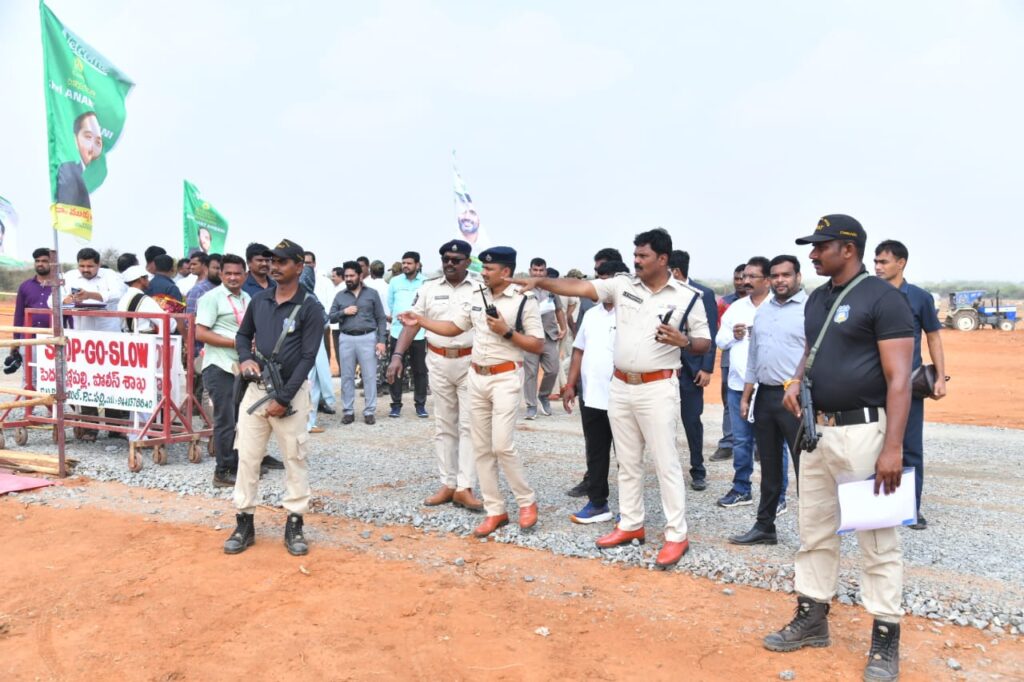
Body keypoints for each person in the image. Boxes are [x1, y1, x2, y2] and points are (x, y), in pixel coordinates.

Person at [763, 215, 913, 682]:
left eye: (820, 246)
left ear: (847, 249)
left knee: (877, 540)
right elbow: (812, 350)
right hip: (816, 433)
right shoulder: (818, 298)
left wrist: (893, 448)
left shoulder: (884, 299)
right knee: (814, 530)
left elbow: (900, 380)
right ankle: (813, 618)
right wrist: (795, 380)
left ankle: (885, 637)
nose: (812, 254)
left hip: (865, 436)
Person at [510, 228, 711, 568]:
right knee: (628, 462)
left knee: (666, 463)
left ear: (662, 259)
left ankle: (677, 535)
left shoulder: (687, 296)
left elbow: (704, 342)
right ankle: (631, 524)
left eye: (643, 256)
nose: (636, 261)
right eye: (635, 255)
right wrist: (540, 282)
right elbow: (579, 287)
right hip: (620, 385)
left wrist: (684, 341)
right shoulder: (622, 285)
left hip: (657, 387)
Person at [397, 246, 542, 537]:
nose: (483, 273)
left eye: (489, 269)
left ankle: (526, 502)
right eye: (483, 268)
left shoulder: (524, 300)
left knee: (502, 445)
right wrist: (420, 321)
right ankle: (495, 510)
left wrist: (506, 331)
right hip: (476, 376)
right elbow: (454, 327)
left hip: (505, 377)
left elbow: (537, 345)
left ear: (506, 272)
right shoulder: (477, 296)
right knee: (482, 448)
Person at [224, 239, 324, 557]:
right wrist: (245, 358)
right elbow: (243, 335)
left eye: (282, 261)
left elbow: (308, 357)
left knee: (294, 458)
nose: (274, 266)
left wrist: (283, 398)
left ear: (299, 266)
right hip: (256, 390)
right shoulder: (259, 300)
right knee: (247, 456)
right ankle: (244, 521)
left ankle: (295, 522)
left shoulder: (310, 306)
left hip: (291, 393)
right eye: (272, 261)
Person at [387, 240, 484, 512]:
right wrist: (397, 355)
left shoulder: (480, 289)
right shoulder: (428, 288)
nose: (450, 263)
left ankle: (465, 487)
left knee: (469, 425)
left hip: (470, 361)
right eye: (445, 259)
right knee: (444, 424)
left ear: (467, 262)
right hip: (439, 361)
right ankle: (448, 484)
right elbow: (412, 324)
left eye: (456, 259)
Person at [729, 255, 806, 545]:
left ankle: (812, 534)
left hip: (796, 397)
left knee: (806, 468)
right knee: (769, 465)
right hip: (765, 395)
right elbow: (753, 355)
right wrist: (747, 395)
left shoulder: (810, 309)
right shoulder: (763, 311)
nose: (780, 280)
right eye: (775, 275)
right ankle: (765, 527)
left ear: (798, 277)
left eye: (786, 275)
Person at [874, 239, 946, 530]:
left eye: (883, 262)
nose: (877, 267)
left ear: (901, 263)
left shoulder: (919, 297)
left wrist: (940, 377)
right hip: (870, 385)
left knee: (910, 448)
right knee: (870, 445)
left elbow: (933, 337)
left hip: (907, 386)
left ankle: (910, 509)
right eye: (875, 262)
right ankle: (875, 506)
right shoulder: (869, 295)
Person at [562, 260, 629, 524]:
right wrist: (571, 384)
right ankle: (598, 503)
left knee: (627, 456)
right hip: (592, 395)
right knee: (596, 452)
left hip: (622, 395)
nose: (602, 285)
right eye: (599, 279)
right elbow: (579, 350)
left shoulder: (631, 313)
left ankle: (630, 509)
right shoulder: (591, 314)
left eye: (608, 279)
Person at [715, 257, 771, 508]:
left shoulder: (777, 307)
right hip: (738, 386)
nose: (745, 281)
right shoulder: (736, 307)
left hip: (768, 388)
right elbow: (720, 340)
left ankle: (777, 496)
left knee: (772, 444)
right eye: (744, 276)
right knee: (741, 441)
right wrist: (733, 335)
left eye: (751, 277)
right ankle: (741, 489)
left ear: (767, 280)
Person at [195, 254, 250, 487]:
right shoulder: (212, 298)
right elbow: (200, 333)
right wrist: (235, 343)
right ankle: (222, 471)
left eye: (237, 273)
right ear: (220, 274)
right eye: (228, 273)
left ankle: (237, 466)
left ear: (245, 275)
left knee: (241, 419)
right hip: (219, 366)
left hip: (240, 366)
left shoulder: (246, 298)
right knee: (225, 420)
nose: (233, 278)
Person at [669, 250, 719, 491]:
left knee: (691, 421)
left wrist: (707, 368)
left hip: (692, 371)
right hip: (664, 369)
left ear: (676, 272)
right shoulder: (659, 293)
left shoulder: (702, 294)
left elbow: (710, 333)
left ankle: (698, 470)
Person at [329, 261, 387, 425]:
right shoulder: (340, 296)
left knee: (369, 376)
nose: (348, 279)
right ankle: (348, 411)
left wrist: (381, 341)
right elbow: (331, 317)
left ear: (360, 276)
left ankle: (369, 412)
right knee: (346, 377)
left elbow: (381, 318)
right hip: (346, 338)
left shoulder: (372, 294)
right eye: (346, 276)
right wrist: (344, 312)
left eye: (351, 275)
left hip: (367, 338)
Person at [711, 263, 749, 462]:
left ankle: (758, 445)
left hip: (753, 359)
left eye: (744, 278)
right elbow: (719, 332)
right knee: (729, 400)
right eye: (737, 278)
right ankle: (727, 443)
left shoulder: (764, 303)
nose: (740, 282)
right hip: (729, 357)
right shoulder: (724, 303)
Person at [522, 257, 566, 419]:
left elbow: (559, 310)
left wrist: (564, 327)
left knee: (553, 369)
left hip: (549, 335)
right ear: (530, 271)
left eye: (541, 270)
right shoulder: (523, 290)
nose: (538, 273)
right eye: (535, 270)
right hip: (530, 336)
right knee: (531, 372)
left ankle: (544, 395)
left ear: (545, 272)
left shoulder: (552, 290)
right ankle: (531, 405)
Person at [387, 251, 428, 418]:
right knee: (396, 369)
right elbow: (391, 304)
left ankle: (420, 405)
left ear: (417, 265)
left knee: (420, 371)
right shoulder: (394, 282)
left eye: (409, 263)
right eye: (403, 263)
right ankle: (396, 405)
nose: (405, 266)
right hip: (397, 332)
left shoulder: (425, 282)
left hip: (419, 333)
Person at [8, 248, 55, 381]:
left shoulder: (60, 286)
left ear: (52, 263)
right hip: (29, 340)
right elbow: (19, 315)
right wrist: (16, 341)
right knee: (29, 380)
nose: (40, 264)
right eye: (37, 261)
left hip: (53, 341)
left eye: (44, 261)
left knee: (52, 380)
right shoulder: (25, 286)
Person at [304, 251, 340, 416]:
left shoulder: (324, 282)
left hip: (320, 330)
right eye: (303, 263)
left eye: (308, 263)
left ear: (314, 263)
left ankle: (322, 403)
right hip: (300, 338)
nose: (306, 266)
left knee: (320, 370)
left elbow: (329, 308)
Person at [55, 111, 102, 208]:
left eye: (98, 142)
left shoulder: (98, 177)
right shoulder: (66, 170)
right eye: (88, 137)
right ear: (75, 139)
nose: (92, 146)